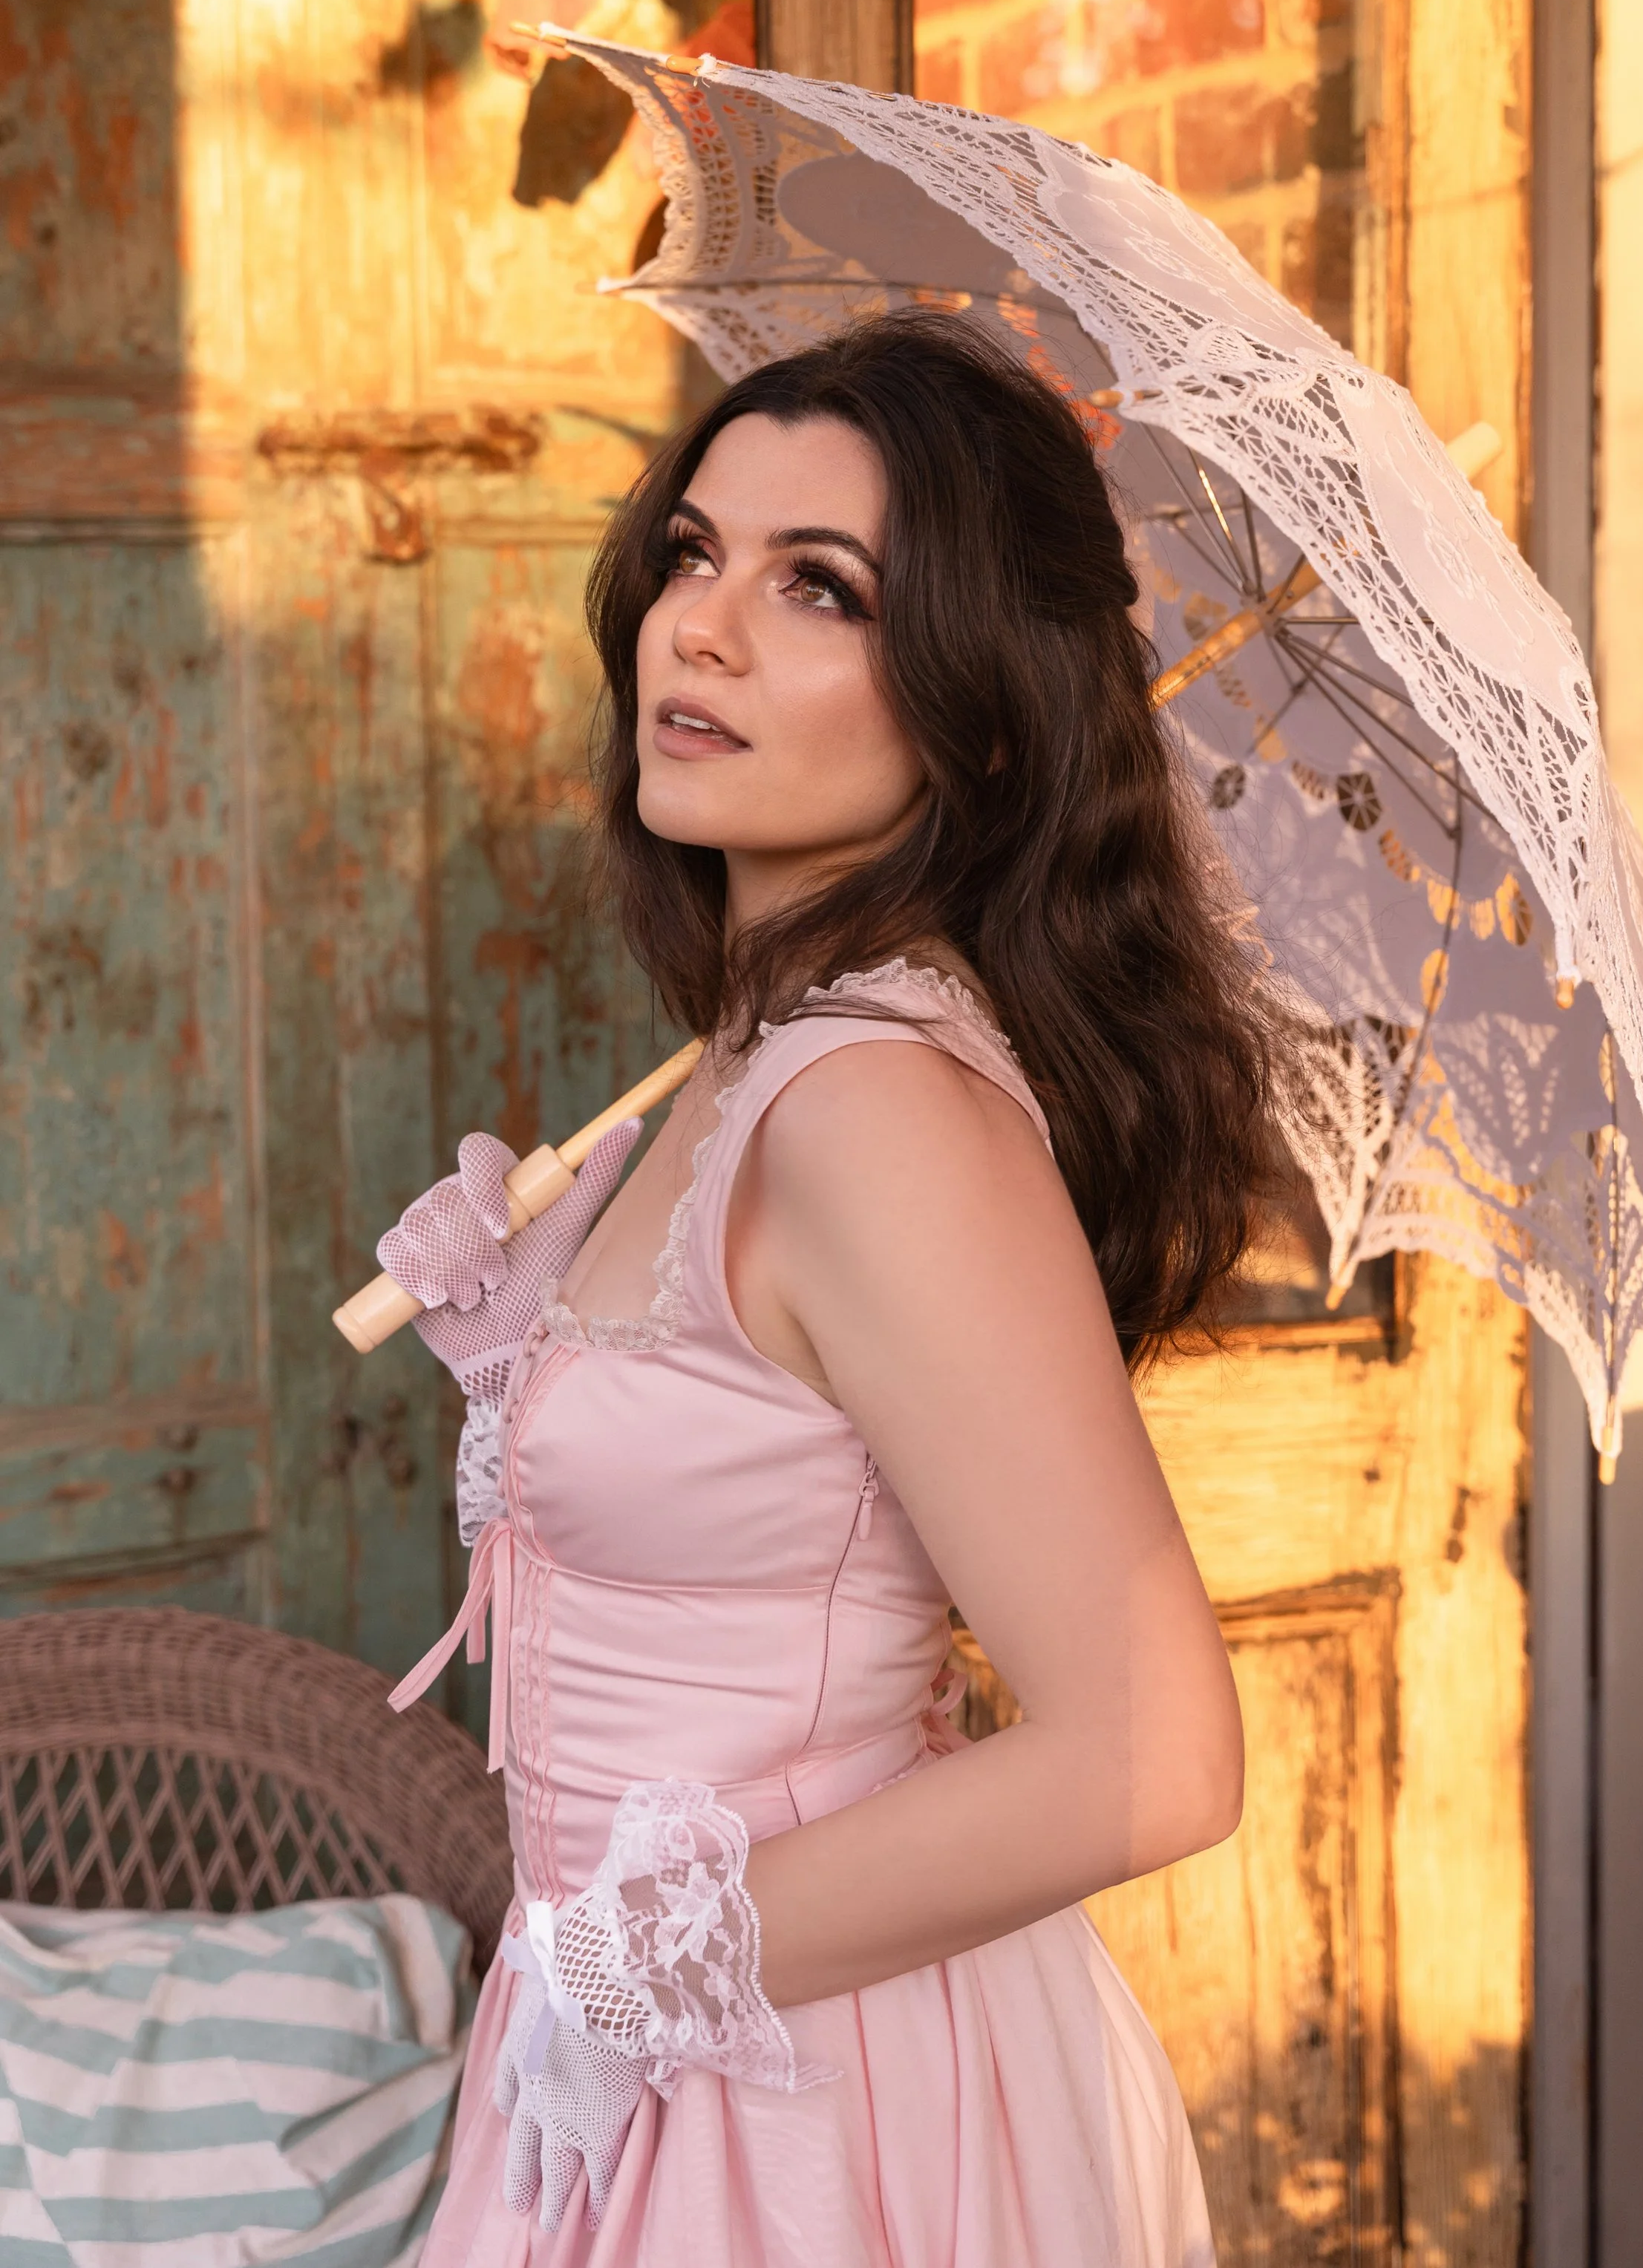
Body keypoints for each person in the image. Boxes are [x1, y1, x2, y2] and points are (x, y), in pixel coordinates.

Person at [383, 315, 1284, 2267]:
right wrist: (522, 1322)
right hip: (633, 2047)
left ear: (978, 713)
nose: (699, 630)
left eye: (818, 587)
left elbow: (1152, 1748)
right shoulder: (756, 1060)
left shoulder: (876, 1104)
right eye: (692, 553)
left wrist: (625, 1970)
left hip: (793, 2094)